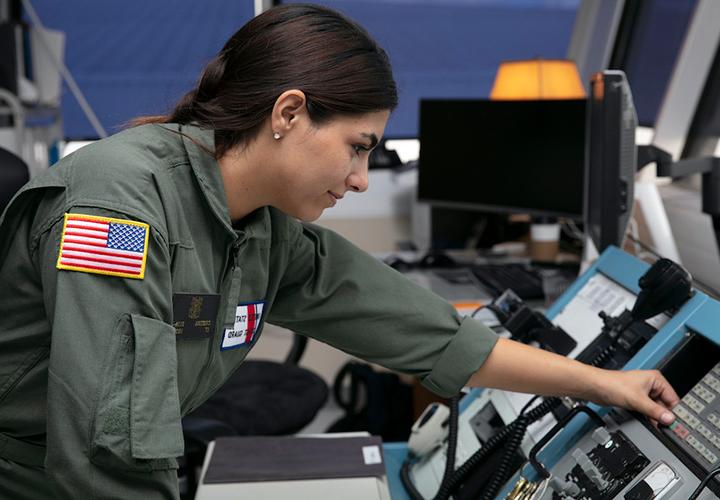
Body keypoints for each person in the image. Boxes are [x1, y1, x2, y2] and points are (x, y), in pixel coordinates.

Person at [0, 4, 678, 499]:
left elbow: (430, 332)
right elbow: (101, 454)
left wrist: (602, 382)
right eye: (358, 146)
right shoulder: (117, 206)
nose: (360, 177)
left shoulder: (263, 230)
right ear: (289, 113)